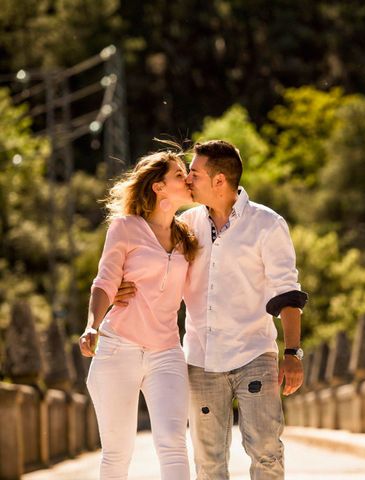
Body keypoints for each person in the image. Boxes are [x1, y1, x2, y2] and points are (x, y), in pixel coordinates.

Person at [115, 140, 307, 480]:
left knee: (266, 452)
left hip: (255, 355)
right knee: (208, 461)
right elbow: (153, 266)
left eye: (194, 173)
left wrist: (292, 352)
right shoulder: (185, 227)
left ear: (219, 181)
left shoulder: (267, 224)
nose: (188, 179)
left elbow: (287, 292)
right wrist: (120, 285)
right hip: (201, 359)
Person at [78, 150, 198, 480]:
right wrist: (92, 325)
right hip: (119, 350)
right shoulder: (125, 228)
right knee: (117, 454)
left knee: (174, 445)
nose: (187, 179)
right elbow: (104, 281)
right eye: (179, 174)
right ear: (158, 187)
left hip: (167, 353)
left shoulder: (187, 236)